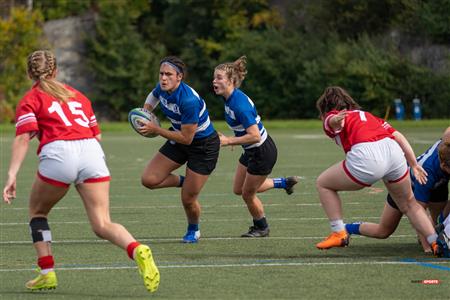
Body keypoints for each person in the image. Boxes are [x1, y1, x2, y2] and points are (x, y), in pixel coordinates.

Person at [2, 50, 159, 292]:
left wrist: (11, 175)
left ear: (28, 73)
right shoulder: (78, 96)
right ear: (55, 71)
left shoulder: (30, 99)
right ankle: (136, 248)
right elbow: (97, 134)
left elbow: (23, 138)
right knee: (102, 223)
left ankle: (47, 272)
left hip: (59, 153)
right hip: (91, 152)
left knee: (37, 212)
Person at [314, 86, 440, 255]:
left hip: (368, 155)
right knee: (410, 204)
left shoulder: (334, 115)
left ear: (326, 108)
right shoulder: (368, 116)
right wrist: (413, 164)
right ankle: (435, 243)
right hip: (394, 152)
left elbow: (332, 121)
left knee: (323, 183)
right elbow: (398, 136)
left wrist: (334, 119)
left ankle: (339, 232)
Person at [212, 56, 299, 237]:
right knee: (239, 189)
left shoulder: (239, 104)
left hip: (261, 151)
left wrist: (229, 141)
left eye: (219, 78)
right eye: (214, 77)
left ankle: (261, 227)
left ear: (231, 81)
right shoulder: (229, 99)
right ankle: (284, 182)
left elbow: (254, 135)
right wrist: (233, 138)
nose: (214, 81)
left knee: (247, 194)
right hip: (251, 150)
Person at [139, 56, 220, 243]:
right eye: (161, 74)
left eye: (168, 74)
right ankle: (187, 182)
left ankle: (194, 229)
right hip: (178, 137)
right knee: (149, 180)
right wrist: (146, 111)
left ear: (179, 77)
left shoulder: (188, 100)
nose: (163, 78)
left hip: (202, 146)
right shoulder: (163, 87)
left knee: (188, 199)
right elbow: (153, 95)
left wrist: (156, 129)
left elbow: (187, 138)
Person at [344, 129, 449, 253]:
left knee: (438, 220)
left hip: (439, 183)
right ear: (444, 165)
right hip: (406, 188)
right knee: (383, 231)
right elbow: (417, 211)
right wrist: (428, 247)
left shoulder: (446, 149)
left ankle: (434, 234)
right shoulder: (427, 172)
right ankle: (346, 228)